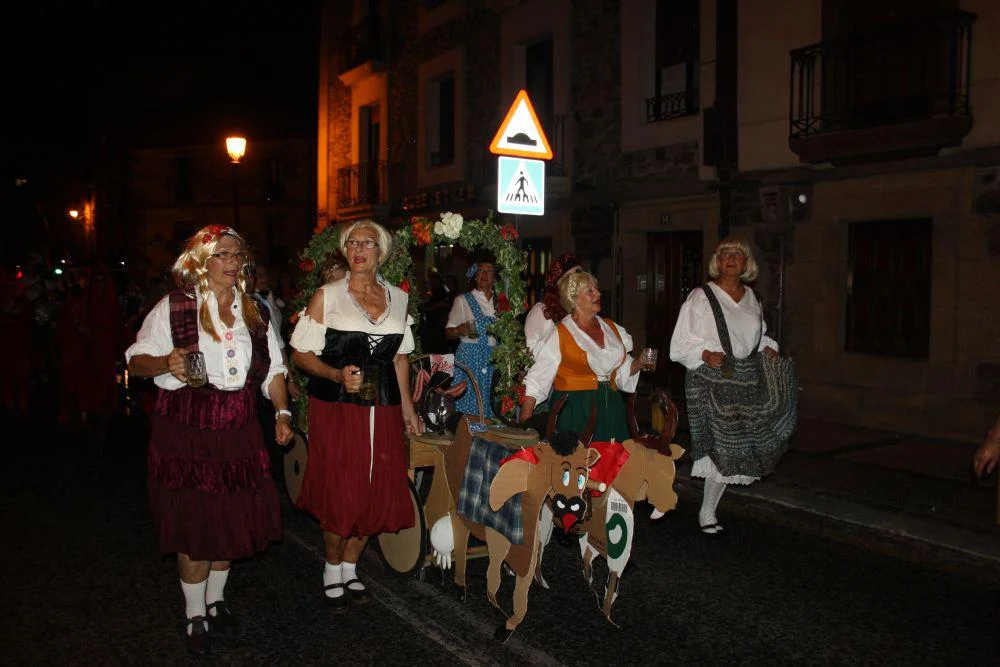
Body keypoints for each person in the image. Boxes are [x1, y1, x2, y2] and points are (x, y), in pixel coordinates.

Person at [125, 225, 291, 656]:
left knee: (230, 519)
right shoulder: (175, 306)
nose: (233, 262)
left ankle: (216, 601)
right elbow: (136, 362)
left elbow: (273, 370)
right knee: (196, 523)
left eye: (237, 255)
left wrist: (282, 412)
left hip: (239, 427)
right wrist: (167, 362)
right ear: (202, 262)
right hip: (188, 428)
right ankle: (194, 612)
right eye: (223, 254)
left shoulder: (255, 310)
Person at [290, 219, 422, 612]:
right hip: (338, 408)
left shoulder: (399, 298)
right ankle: (332, 567)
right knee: (342, 489)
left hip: (383, 407)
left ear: (381, 252)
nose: (359, 249)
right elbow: (301, 354)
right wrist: (335, 374)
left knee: (375, 487)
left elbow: (400, 358)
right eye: (352, 243)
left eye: (367, 243)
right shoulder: (327, 296)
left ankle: (351, 565)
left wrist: (408, 409)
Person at [668, 236, 786, 535]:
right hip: (709, 380)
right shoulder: (700, 297)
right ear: (717, 261)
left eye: (738, 254)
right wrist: (704, 354)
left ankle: (708, 508)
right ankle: (707, 512)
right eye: (725, 254)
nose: (731, 258)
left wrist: (769, 347)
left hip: (744, 380)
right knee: (721, 445)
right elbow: (678, 345)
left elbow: (758, 337)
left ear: (746, 262)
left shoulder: (752, 298)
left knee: (735, 448)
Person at [520, 271, 642, 441]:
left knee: (613, 456)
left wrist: (638, 363)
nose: (598, 294)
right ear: (574, 299)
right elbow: (537, 380)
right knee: (581, 457)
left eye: (596, 289)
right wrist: (525, 424)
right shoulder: (560, 334)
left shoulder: (610, 327)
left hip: (611, 409)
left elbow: (619, 371)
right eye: (590, 291)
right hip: (575, 411)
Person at [446, 254, 499, 419]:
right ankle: (465, 432)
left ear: (494, 277)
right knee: (468, 405)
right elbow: (448, 332)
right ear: (475, 276)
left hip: (494, 360)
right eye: (481, 270)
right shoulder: (463, 300)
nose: (484, 274)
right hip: (470, 359)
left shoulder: (501, 303)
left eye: (489, 271)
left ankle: (490, 433)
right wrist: (459, 330)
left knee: (492, 403)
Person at [524, 253, 582, 354]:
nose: (579, 282)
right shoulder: (542, 311)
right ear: (558, 283)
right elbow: (530, 354)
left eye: (581, 276)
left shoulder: (583, 311)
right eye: (571, 277)